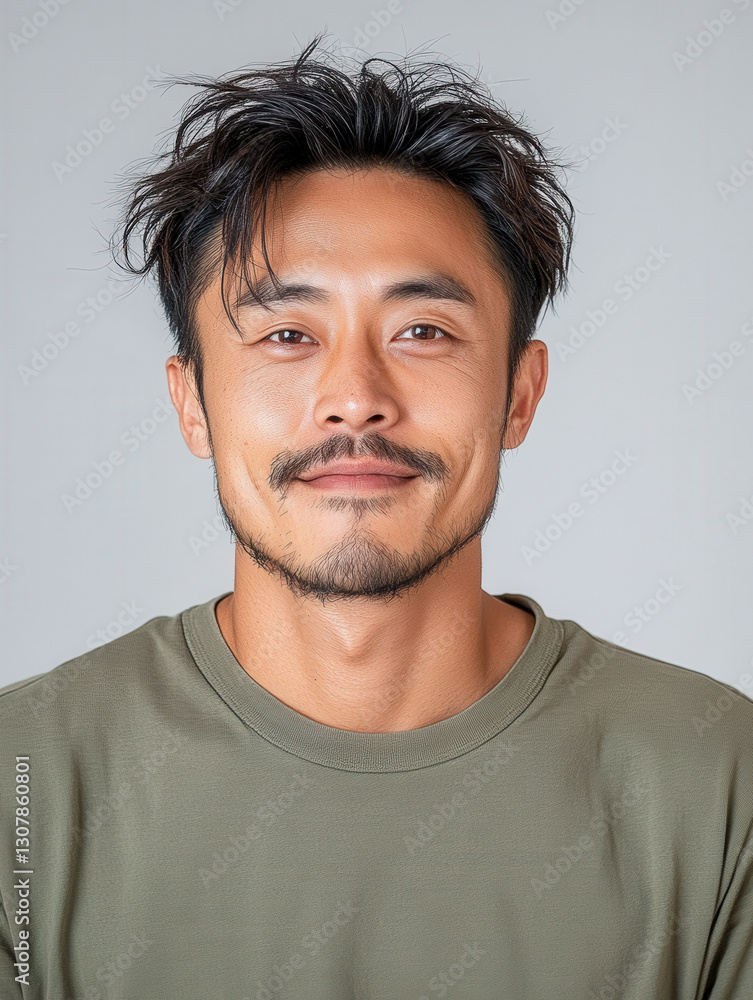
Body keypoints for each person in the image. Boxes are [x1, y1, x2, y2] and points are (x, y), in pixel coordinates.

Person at [1, 37, 751, 999]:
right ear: (191, 405)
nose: (353, 397)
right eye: (285, 334)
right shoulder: (24, 787)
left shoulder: (715, 783)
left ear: (519, 394)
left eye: (423, 331)